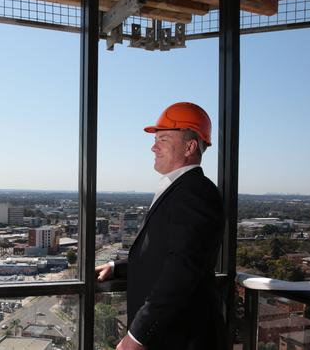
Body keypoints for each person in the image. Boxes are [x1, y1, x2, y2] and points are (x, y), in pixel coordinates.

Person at [95, 102, 226, 350]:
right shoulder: (180, 189)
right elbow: (166, 254)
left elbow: (181, 271)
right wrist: (117, 267)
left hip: (183, 339)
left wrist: (138, 336)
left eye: (163, 138)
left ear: (190, 146)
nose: (153, 147)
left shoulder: (196, 192)